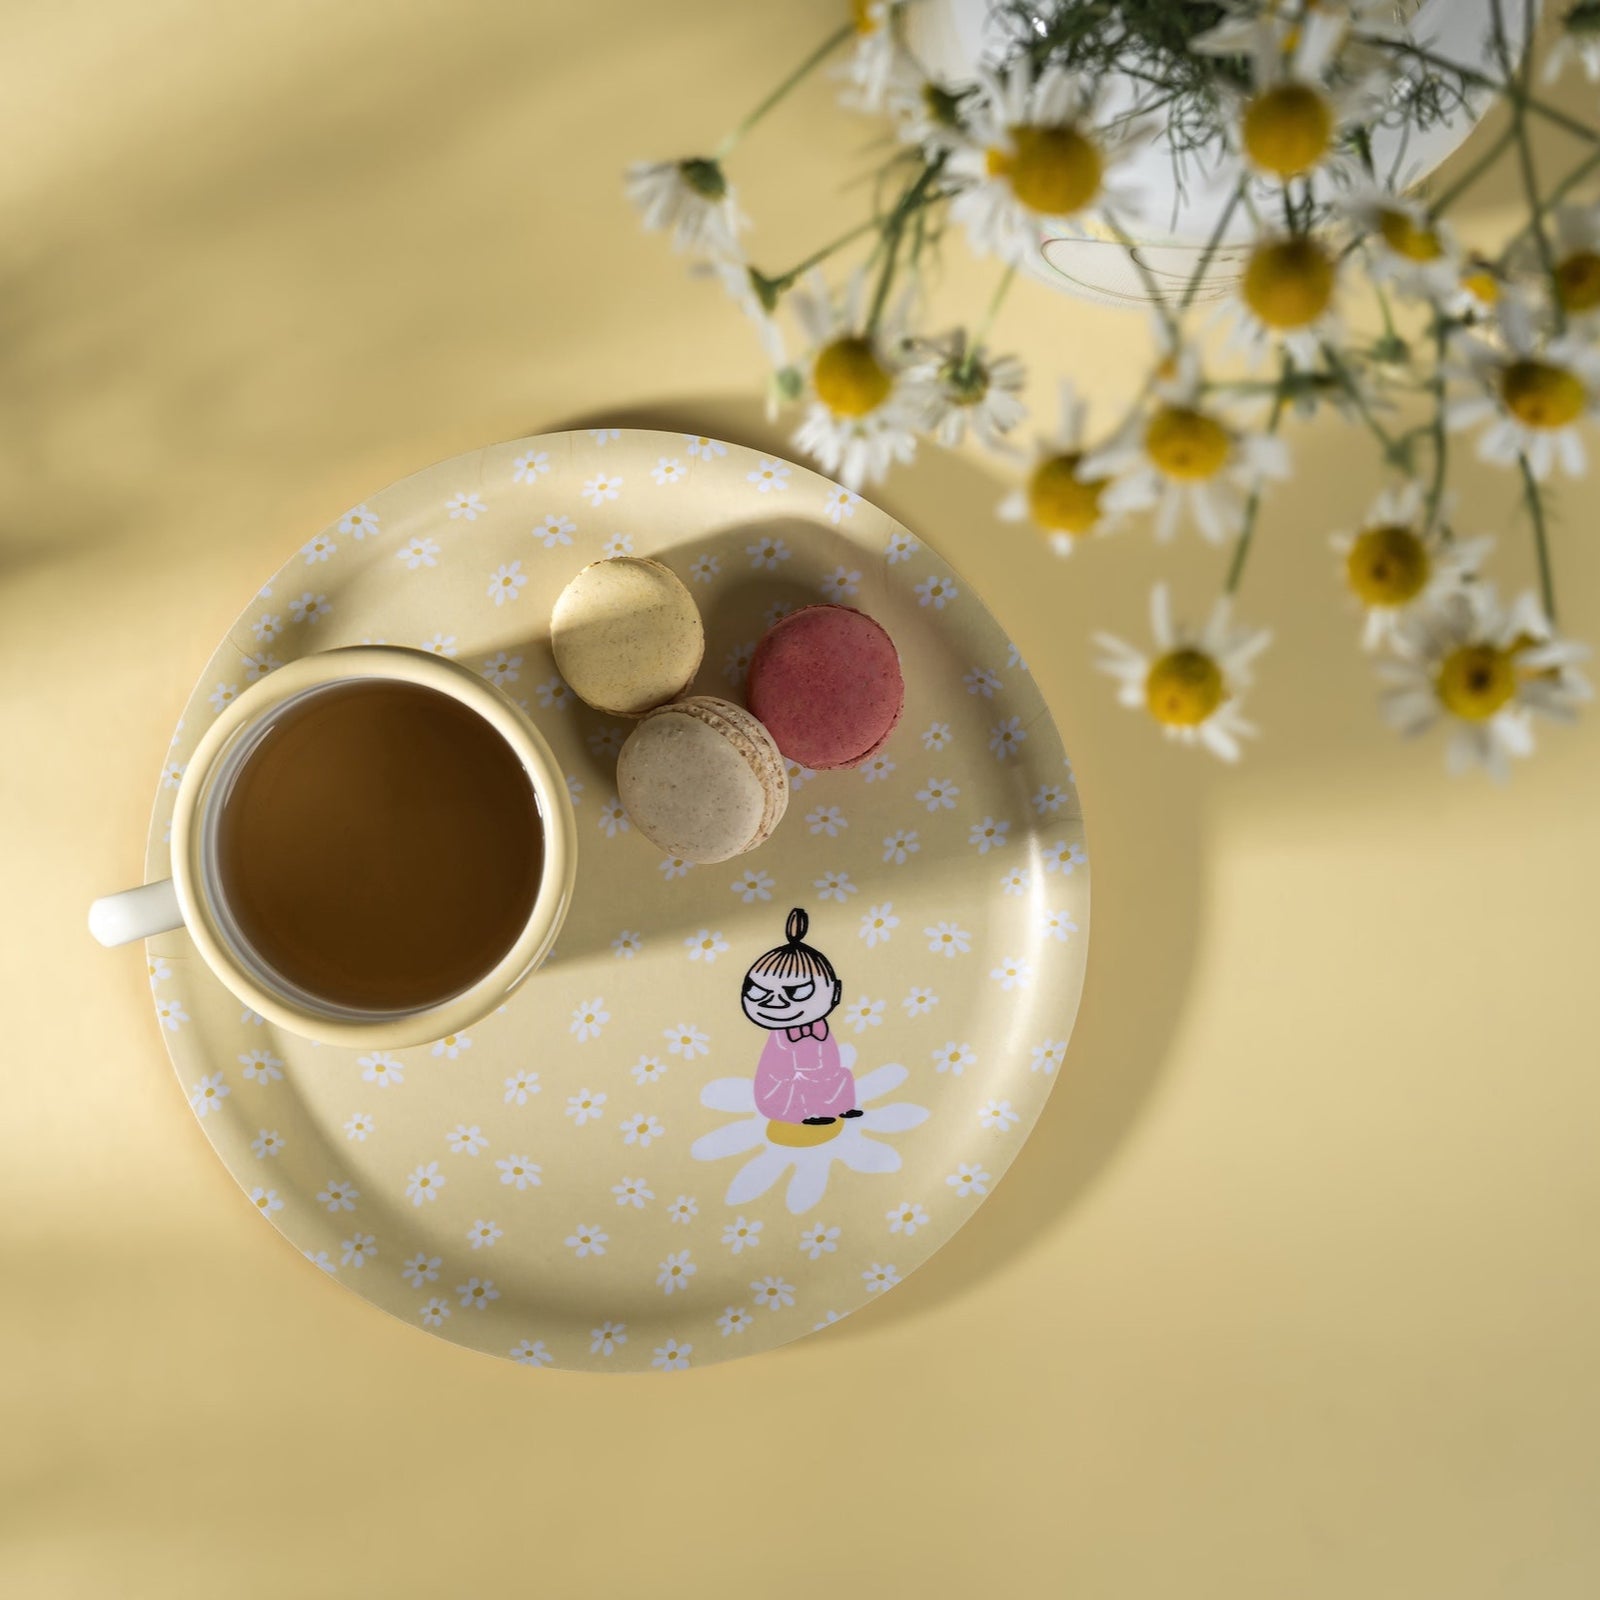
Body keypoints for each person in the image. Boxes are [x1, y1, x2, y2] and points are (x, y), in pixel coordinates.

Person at [740, 908, 860, 1125]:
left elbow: (829, 1056)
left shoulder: (820, 1027)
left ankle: (838, 1107)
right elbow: (782, 1065)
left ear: (836, 992)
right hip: (782, 1085)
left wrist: (823, 1073)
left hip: (818, 1076)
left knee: (840, 1076)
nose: (775, 1002)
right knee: (799, 1083)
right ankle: (805, 1112)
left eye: (798, 992)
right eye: (757, 992)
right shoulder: (782, 1034)